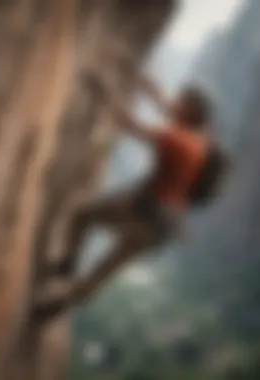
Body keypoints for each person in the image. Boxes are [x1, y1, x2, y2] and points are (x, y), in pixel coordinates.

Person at [35, 70, 223, 321]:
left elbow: (131, 126)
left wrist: (105, 95)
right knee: (104, 269)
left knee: (83, 217)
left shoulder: (178, 140)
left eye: (182, 101)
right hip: (165, 225)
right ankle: (57, 304)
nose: (175, 103)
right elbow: (165, 105)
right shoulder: (200, 138)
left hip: (147, 210)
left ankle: (67, 265)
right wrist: (146, 83)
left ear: (189, 111)